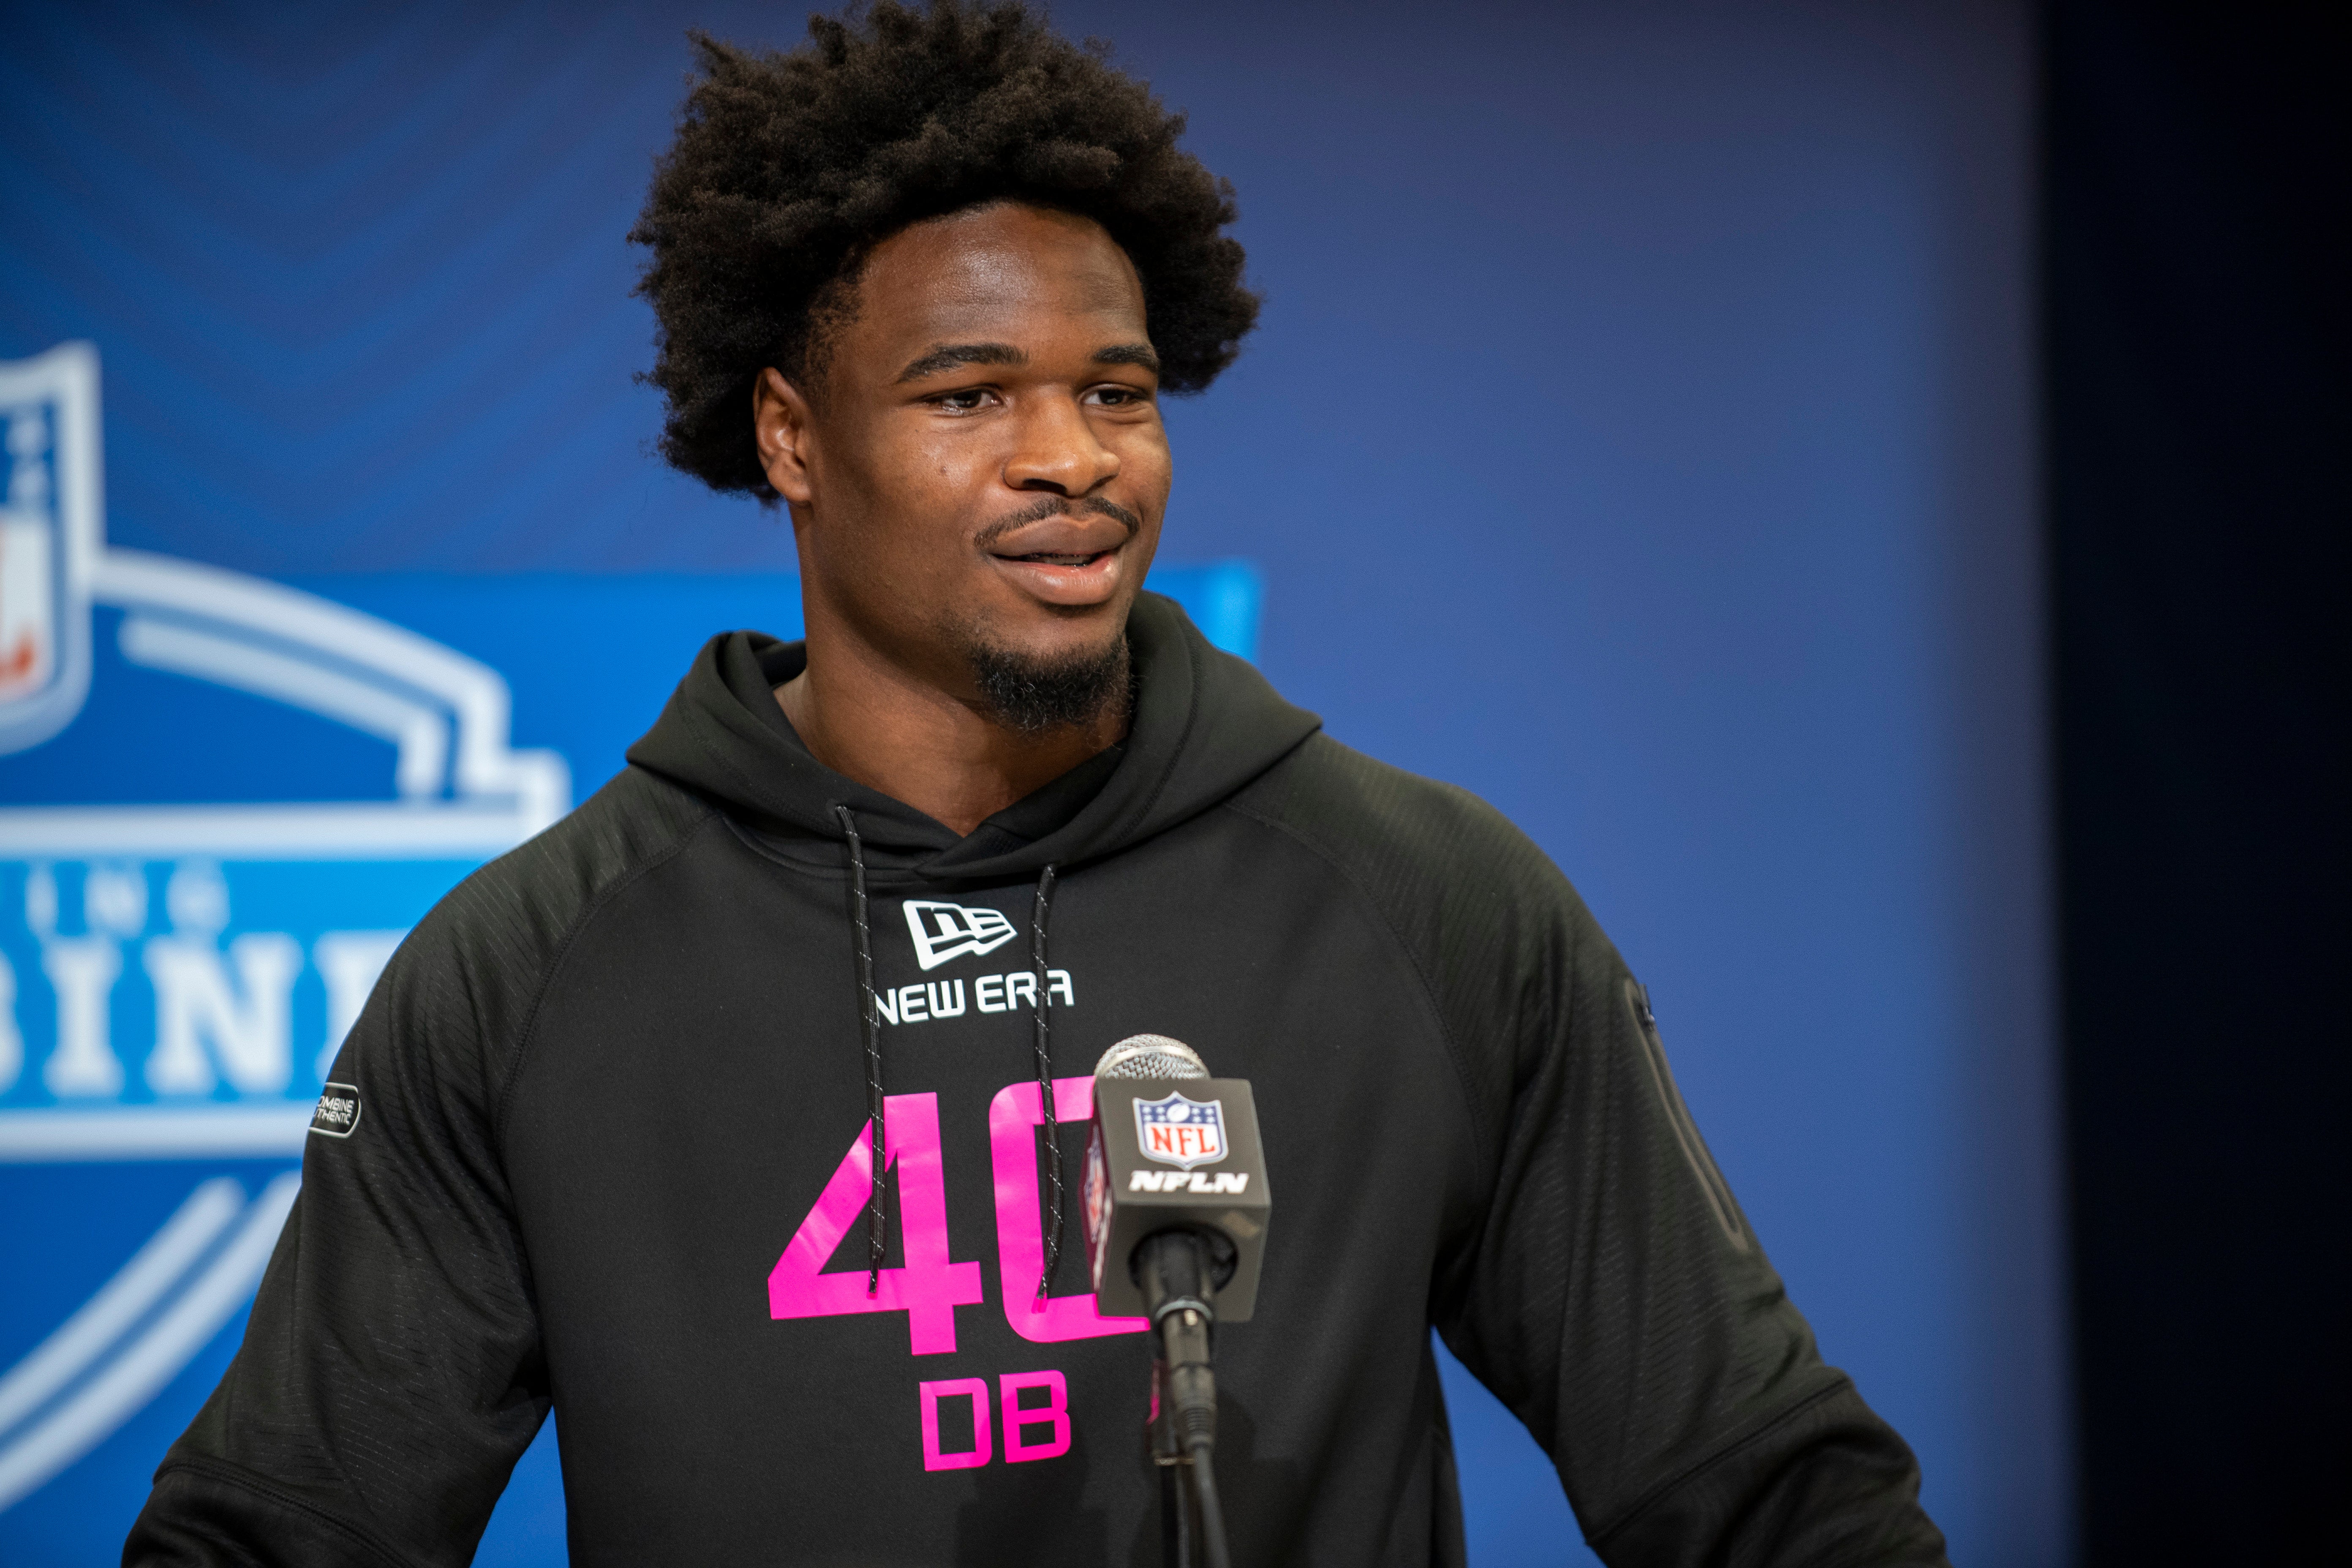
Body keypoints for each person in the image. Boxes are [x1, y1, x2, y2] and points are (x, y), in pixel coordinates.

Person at [126, 4, 1949, 1564]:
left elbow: (1766, 1486)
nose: (1072, 460)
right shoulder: (524, 978)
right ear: (790, 438)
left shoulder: (1433, 903)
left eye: (1120, 390)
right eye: (970, 394)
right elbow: (281, 1527)